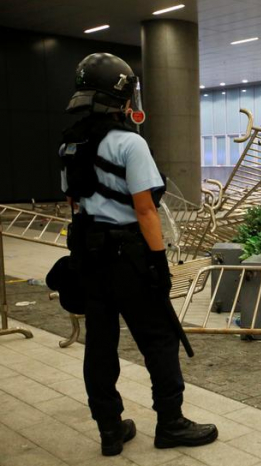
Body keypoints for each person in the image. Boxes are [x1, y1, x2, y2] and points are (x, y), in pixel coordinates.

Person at [59, 53, 217, 456]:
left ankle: (110, 430)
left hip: (89, 257)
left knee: (100, 344)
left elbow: (74, 204)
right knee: (159, 339)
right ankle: (171, 423)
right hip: (128, 255)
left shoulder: (69, 145)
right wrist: (158, 262)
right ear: (121, 97)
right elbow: (146, 209)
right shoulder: (130, 143)